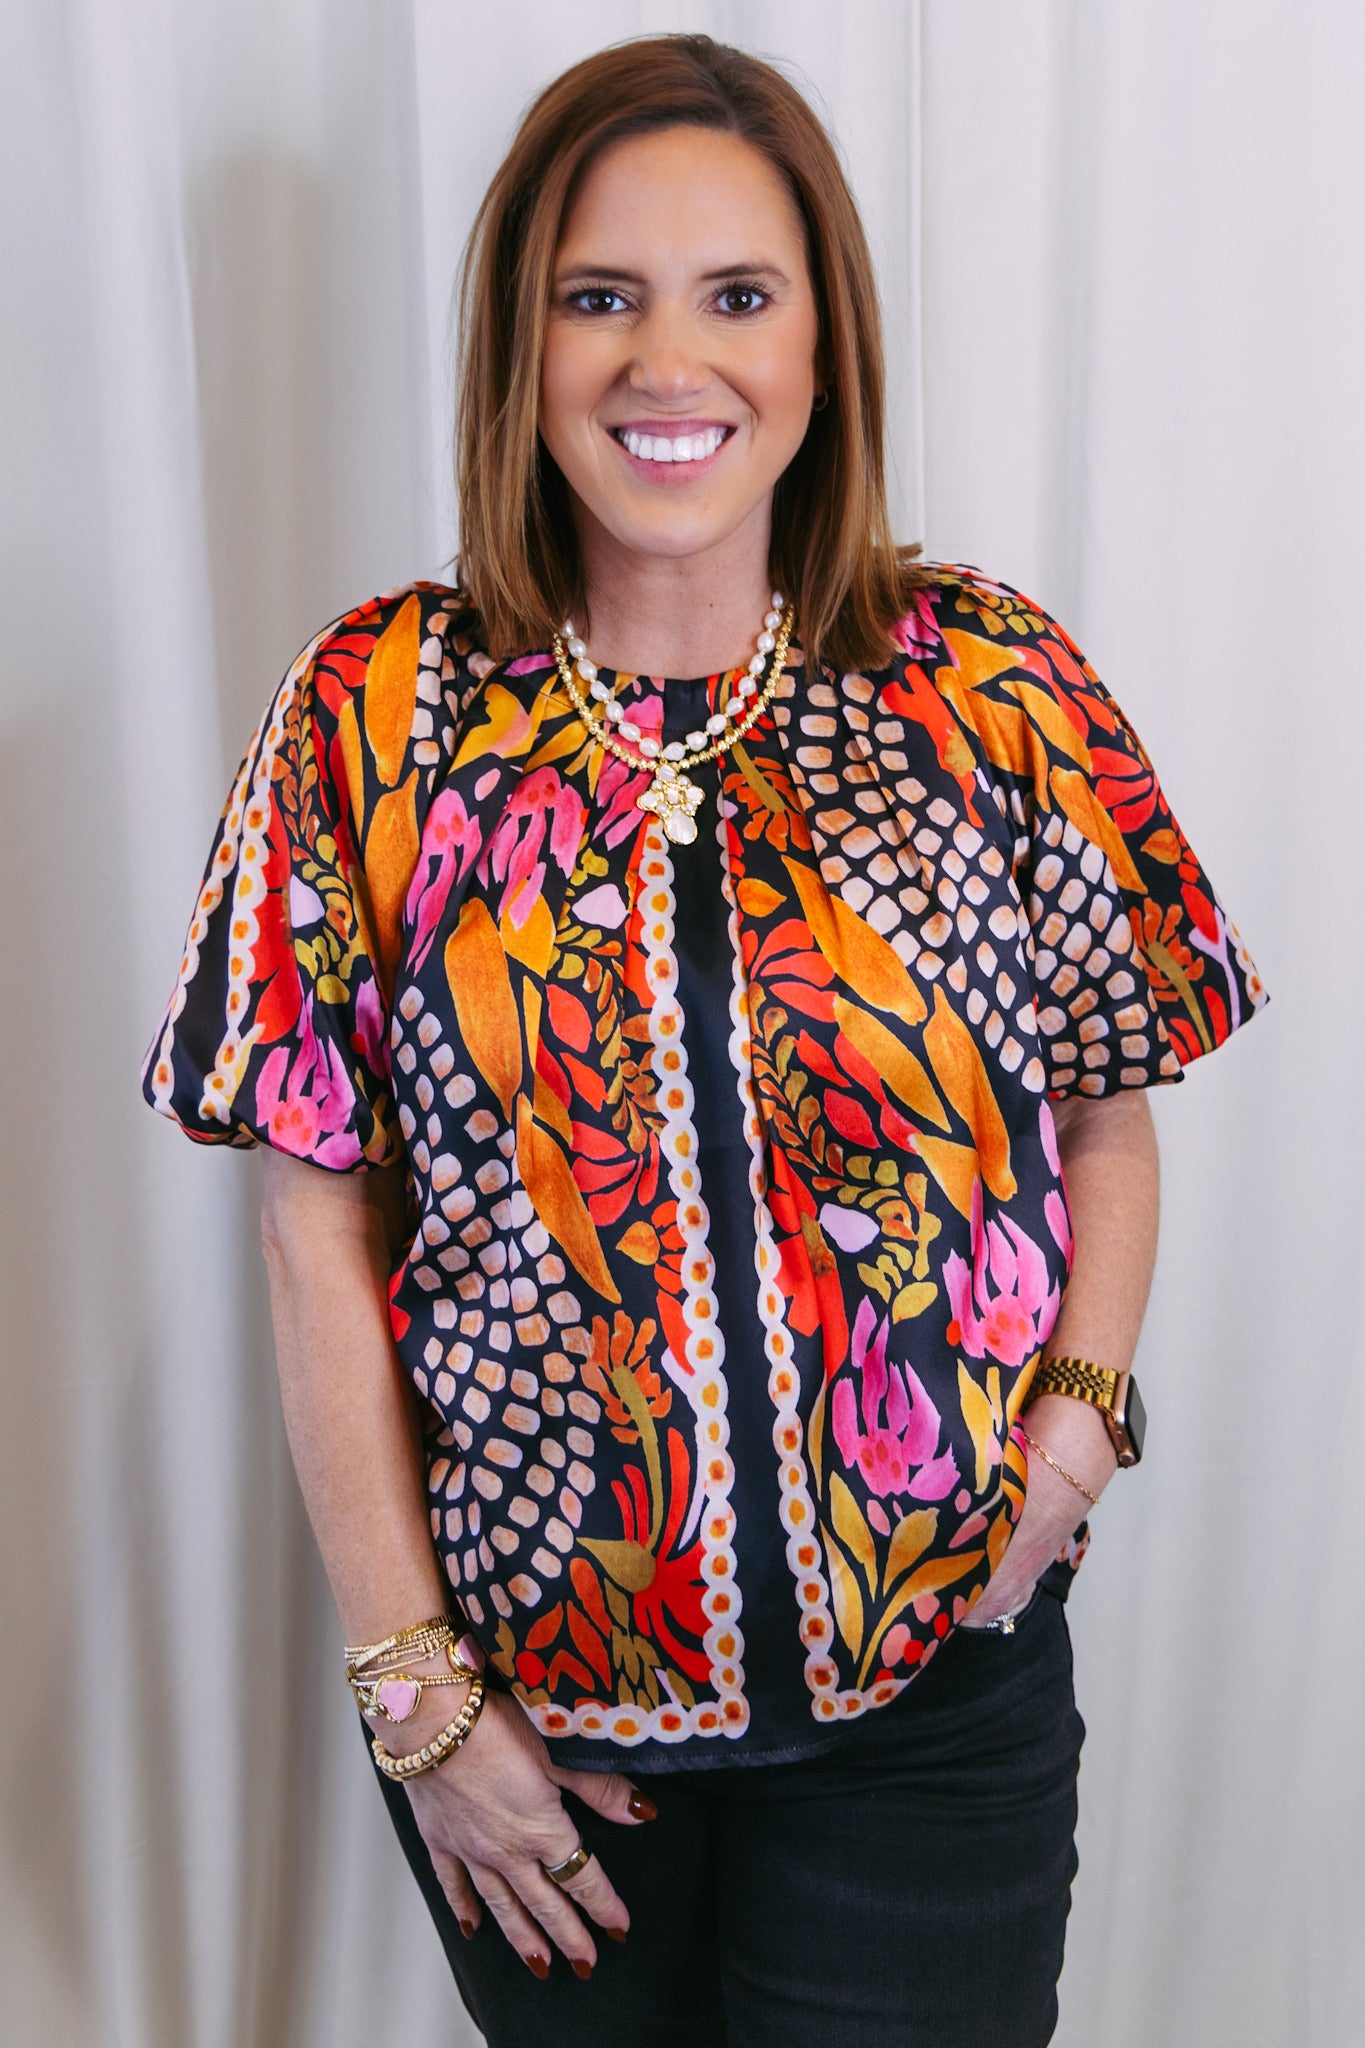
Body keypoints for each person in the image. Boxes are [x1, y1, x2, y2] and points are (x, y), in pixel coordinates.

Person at [142, 33, 1266, 2048]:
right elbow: (315, 1222)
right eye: (601, 297)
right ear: (519, 344)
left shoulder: (988, 691)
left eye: (735, 295)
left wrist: (1078, 1418)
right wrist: (415, 1687)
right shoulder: (371, 717)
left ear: (820, 346)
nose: (671, 363)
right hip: (543, 1741)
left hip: (939, 1700)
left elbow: (1110, 1096)